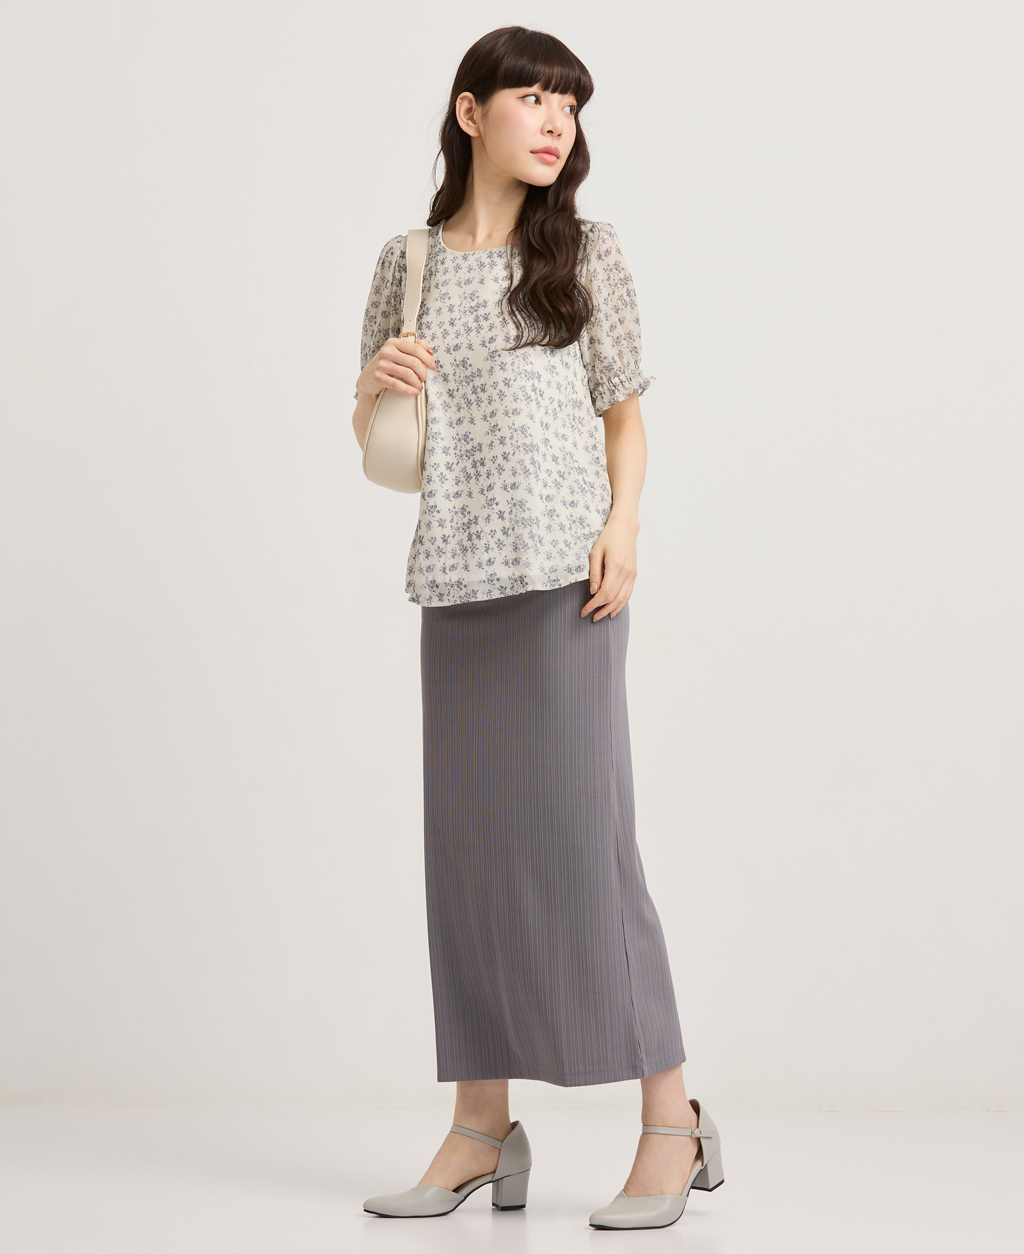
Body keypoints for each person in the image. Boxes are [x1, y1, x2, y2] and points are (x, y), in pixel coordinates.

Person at [350, 25, 724, 1231]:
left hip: (569, 582)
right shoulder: (408, 263)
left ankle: (671, 1121)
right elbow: (378, 445)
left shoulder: (587, 251)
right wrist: (374, 388)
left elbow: (624, 415)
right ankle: (479, 1127)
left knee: (587, 855)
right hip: (455, 586)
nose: (556, 121)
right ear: (471, 113)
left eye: (570, 103)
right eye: (532, 98)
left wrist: (623, 527)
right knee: (469, 863)